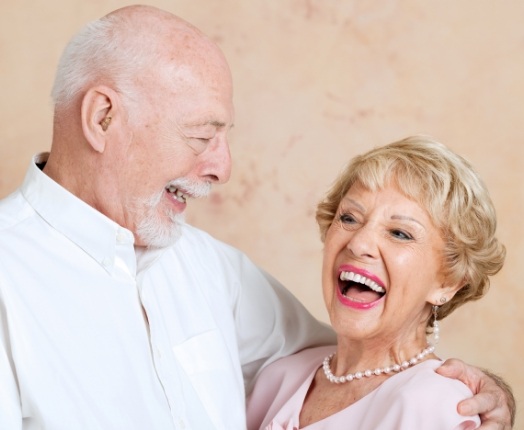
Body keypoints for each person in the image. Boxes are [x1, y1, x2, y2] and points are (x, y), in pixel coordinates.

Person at [0, 5, 514, 429]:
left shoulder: (210, 268)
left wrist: (476, 391)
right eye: (201, 137)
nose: (222, 168)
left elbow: (360, 354)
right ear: (102, 118)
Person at [246, 136, 515, 429]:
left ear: (448, 282)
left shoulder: (438, 404)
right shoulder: (278, 378)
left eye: (400, 233)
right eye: (349, 218)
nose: (359, 243)